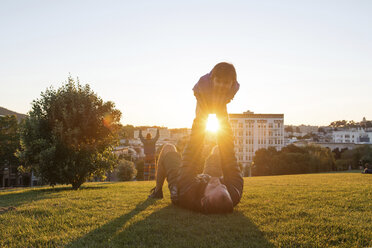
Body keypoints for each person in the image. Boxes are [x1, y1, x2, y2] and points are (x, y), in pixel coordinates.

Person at [149, 62, 243, 214]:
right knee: (220, 149)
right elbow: (229, 153)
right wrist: (222, 118)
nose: (217, 180)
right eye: (223, 186)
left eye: (214, 186)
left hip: (182, 183)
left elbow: (193, 149)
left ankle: (157, 191)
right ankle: (215, 107)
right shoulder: (234, 192)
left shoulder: (186, 191)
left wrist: (201, 120)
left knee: (168, 148)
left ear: (203, 200)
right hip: (200, 182)